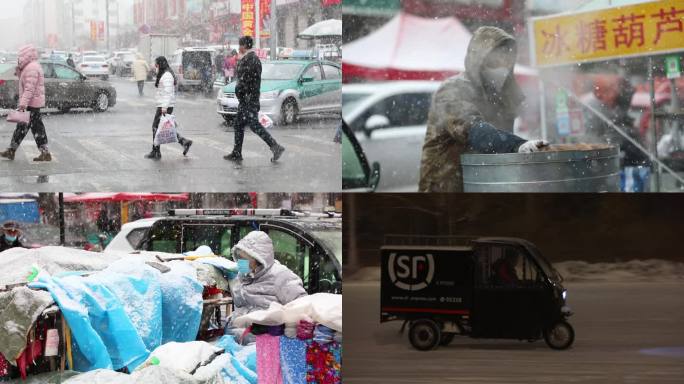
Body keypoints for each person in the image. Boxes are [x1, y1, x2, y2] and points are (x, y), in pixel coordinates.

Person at [419, 26, 549, 192]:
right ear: (478, 61)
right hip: (446, 188)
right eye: (495, 62)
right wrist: (516, 145)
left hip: (483, 186)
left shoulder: (502, 96)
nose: (502, 68)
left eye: (507, 62)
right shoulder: (453, 90)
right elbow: (475, 131)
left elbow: (500, 139)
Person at [225, 231, 307, 344]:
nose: (241, 262)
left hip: (265, 344)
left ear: (258, 259)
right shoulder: (242, 276)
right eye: (239, 257)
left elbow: (302, 308)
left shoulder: (282, 276)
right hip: (237, 340)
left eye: (245, 258)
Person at [224, 36, 285, 163]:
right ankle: (237, 152)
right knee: (238, 124)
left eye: (240, 45)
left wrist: (243, 92)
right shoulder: (247, 59)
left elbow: (248, 80)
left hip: (249, 99)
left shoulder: (252, 60)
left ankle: (275, 146)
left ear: (244, 46)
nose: (238, 48)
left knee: (254, 125)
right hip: (245, 99)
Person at [584, 76, 651, 192]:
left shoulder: (620, 108)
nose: (601, 95)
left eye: (605, 90)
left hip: (631, 164)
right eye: (598, 92)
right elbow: (594, 139)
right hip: (620, 165)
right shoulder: (598, 112)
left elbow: (629, 90)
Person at [0, 44, 52, 162]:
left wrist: (23, 104)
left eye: (20, 56)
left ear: (26, 56)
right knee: (27, 127)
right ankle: (12, 150)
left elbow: (29, 88)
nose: (18, 59)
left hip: (31, 103)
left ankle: (43, 152)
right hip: (32, 103)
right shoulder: (30, 67)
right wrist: (19, 72)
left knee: (32, 127)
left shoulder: (32, 68)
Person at [145, 56, 193, 159]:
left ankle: (156, 152)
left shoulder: (167, 75)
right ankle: (184, 142)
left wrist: (164, 107)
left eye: (156, 64)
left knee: (156, 127)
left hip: (165, 106)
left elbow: (167, 93)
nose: (155, 66)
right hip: (164, 105)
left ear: (160, 64)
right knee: (165, 128)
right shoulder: (164, 73)